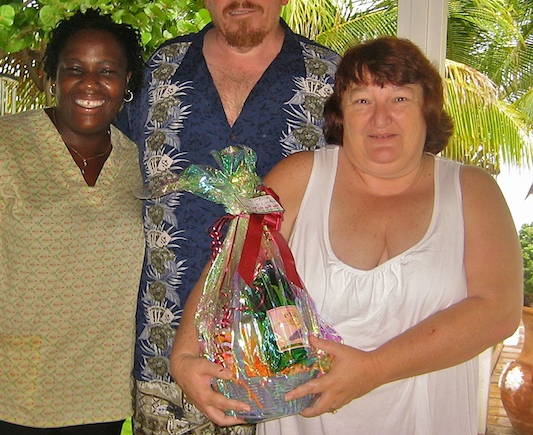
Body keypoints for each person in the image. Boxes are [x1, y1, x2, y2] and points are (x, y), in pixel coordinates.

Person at [170, 36, 523, 434]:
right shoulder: (299, 177)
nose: (380, 117)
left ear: (428, 109)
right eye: (362, 100)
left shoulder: (471, 190)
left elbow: (498, 311)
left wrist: (373, 369)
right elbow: (230, 266)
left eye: (400, 99)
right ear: (341, 113)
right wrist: (183, 357)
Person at [115, 0, 340, 435]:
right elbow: (101, 151)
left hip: (284, 365)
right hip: (164, 357)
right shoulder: (161, 70)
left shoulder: (333, 80)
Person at [0, 9, 145, 435]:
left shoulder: (137, 162)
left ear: (127, 84)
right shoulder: (2, 146)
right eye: (74, 69)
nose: (89, 84)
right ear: (53, 76)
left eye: (107, 71)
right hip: (8, 397)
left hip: (102, 398)